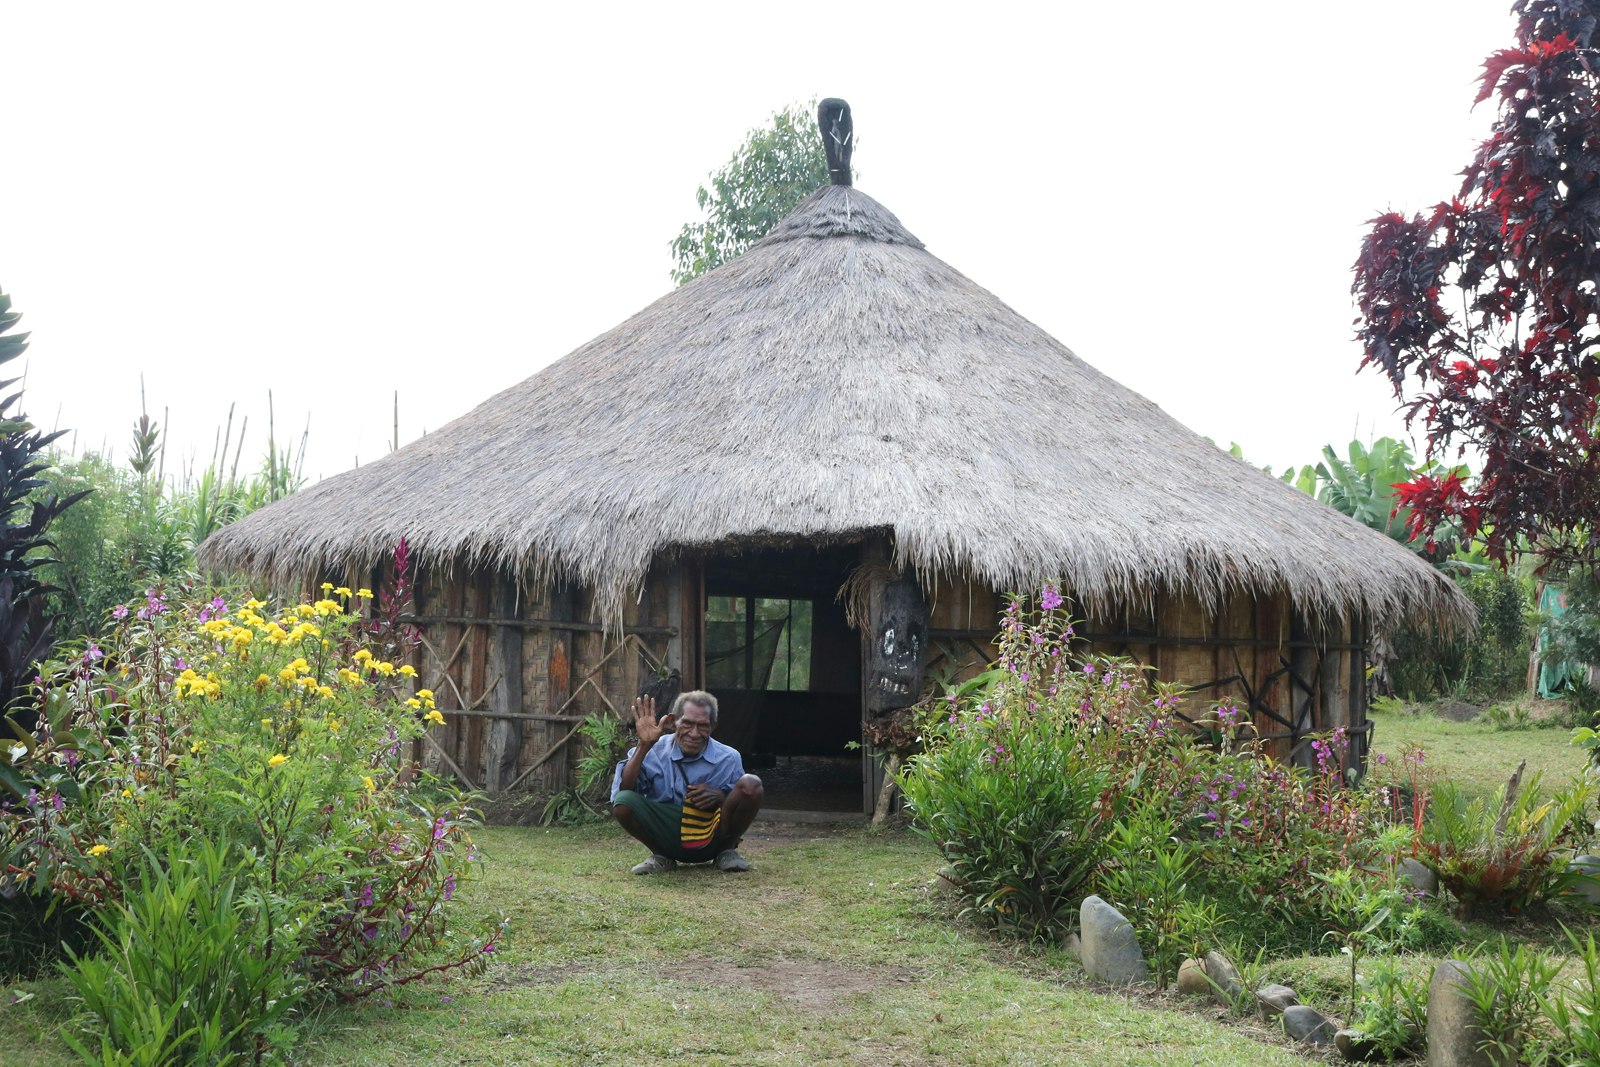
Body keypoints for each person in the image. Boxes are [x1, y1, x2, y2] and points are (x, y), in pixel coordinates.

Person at [610, 689, 763, 875]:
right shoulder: (653, 749)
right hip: (667, 833)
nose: (694, 733)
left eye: (703, 726)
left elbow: (739, 802)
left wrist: (721, 796)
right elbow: (625, 789)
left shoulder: (729, 758)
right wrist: (643, 745)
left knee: (751, 784)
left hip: (711, 833)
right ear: (674, 721)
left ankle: (727, 852)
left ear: (713, 726)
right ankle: (661, 856)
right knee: (624, 801)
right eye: (687, 724)